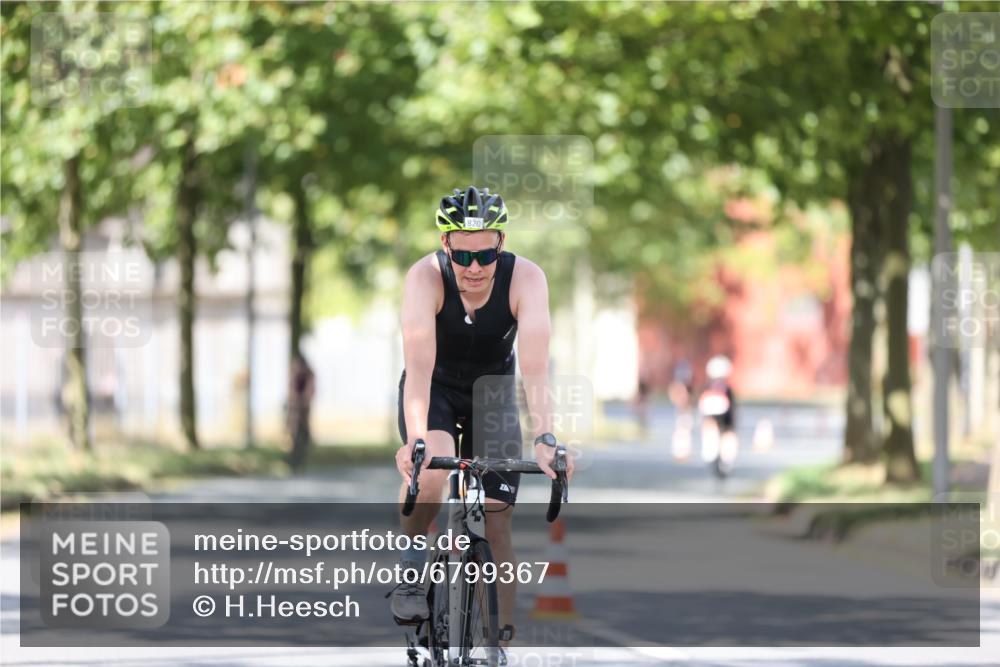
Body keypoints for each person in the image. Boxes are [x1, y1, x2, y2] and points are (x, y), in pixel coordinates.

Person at [391, 186, 575, 648]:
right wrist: (414, 440)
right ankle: (412, 565)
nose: (474, 268)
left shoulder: (527, 279)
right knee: (431, 468)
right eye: (463, 256)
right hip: (435, 387)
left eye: (486, 255)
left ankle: (499, 640)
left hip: (492, 393)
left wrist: (546, 437)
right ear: (446, 244)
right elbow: (417, 369)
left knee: (497, 516)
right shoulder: (424, 278)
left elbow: (535, 370)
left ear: (502, 243)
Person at [698, 355, 739, 476]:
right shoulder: (725, 389)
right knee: (725, 434)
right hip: (720, 418)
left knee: (719, 432)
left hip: (715, 418)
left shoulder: (708, 387)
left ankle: (719, 456)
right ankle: (723, 457)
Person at [286, 352, 315, 472]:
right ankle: (292, 453)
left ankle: (303, 447)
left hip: (303, 405)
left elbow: (309, 389)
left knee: (303, 426)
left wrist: (304, 401)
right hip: (295, 404)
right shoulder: (295, 374)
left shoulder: (308, 373)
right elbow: (291, 388)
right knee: (292, 427)